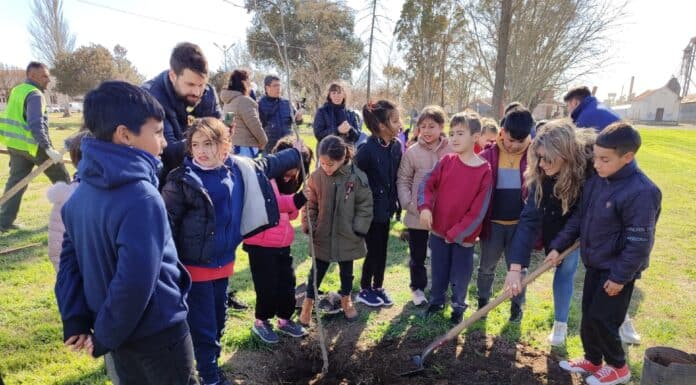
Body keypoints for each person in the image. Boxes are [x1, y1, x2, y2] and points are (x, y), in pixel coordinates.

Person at [54, 81, 198, 385]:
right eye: (157, 132)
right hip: (159, 335)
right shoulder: (142, 197)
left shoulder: (79, 192)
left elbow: (70, 263)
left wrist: (76, 319)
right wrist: (104, 335)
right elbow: (134, 281)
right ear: (125, 135)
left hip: (117, 336)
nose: (163, 143)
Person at [162, 117, 301, 384]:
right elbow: (166, 226)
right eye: (195, 144)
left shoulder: (236, 169)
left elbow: (268, 164)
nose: (201, 150)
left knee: (218, 320)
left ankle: (210, 362)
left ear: (225, 146)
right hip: (195, 267)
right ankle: (210, 376)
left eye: (209, 143)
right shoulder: (182, 181)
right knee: (204, 325)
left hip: (223, 264)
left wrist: (296, 152)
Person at [549, 122, 661, 385]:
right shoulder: (598, 181)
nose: (596, 164)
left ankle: (618, 366)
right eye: (595, 157)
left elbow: (639, 242)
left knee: (604, 319)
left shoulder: (642, 192)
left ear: (628, 157)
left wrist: (621, 277)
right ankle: (593, 359)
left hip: (618, 269)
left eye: (604, 159)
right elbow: (579, 218)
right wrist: (558, 245)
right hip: (596, 262)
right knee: (588, 314)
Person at [504, 120, 595, 346]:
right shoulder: (541, 173)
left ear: (565, 153)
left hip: (589, 221)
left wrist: (562, 245)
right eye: (539, 157)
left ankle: (566, 323)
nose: (542, 163)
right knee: (563, 266)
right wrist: (516, 268)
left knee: (577, 270)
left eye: (548, 158)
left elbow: (582, 214)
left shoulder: (590, 168)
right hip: (556, 220)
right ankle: (560, 324)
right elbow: (529, 219)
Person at [418, 112, 492, 324]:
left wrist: (456, 234)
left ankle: (458, 307)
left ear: (475, 136)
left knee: (460, 276)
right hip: (439, 232)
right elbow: (427, 185)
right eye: (451, 134)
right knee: (438, 270)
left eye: (460, 133)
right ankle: (436, 301)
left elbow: (478, 211)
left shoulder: (484, 171)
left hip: (464, 239)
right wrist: (424, 208)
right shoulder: (446, 161)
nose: (454, 138)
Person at [243, 136, 313, 344]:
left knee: (287, 283)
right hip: (261, 244)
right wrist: (299, 198)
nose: (292, 174)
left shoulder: (289, 184)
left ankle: (284, 319)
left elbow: (289, 214)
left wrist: (300, 199)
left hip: (282, 244)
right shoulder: (267, 179)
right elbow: (276, 204)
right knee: (267, 285)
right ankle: (261, 321)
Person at [299, 135, 373, 325]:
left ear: (342, 158)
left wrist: (358, 229)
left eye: (330, 164)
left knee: (346, 271)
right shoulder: (316, 178)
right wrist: (311, 224)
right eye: (322, 163)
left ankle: (346, 300)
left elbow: (365, 205)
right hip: (322, 234)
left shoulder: (356, 177)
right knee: (316, 271)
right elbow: (310, 204)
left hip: (347, 234)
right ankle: (308, 304)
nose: (326, 167)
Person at [476, 106, 533, 322]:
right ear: (502, 132)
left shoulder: (535, 157)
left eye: (520, 142)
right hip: (493, 224)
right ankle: (483, 303)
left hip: (519, 226)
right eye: (510, 140)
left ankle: (516, 307)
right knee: (486, 267)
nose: (514, 146)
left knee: (519, 269)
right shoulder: (486, 156)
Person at [0, 61, 70, 232]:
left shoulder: (17, 90)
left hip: (16, 146)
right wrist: (47, 148)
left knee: (16, 183)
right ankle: (73, 218)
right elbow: (35, 123)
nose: (48, 80)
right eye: (44, 76)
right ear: (32, 76)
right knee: (63, 180)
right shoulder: (35, 94)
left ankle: (3, 222)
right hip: (35, 147)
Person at [396, 105, 451, 306]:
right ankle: (418, 288)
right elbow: (403, 180)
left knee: (440, 255)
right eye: (423, 126)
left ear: (441, 127)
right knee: (417, 255)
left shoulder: (451, 149)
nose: (427, 131)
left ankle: (439, 288)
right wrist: (410, 205)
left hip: (443, 215)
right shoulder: (412, 152)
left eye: (432, 126)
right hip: (417, 213)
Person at [142, 42, 221, 182]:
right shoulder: (150, 97)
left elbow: (220, 139)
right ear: (173, 76)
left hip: (204, 177)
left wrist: (224, 131)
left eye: (201, 84)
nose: (197, 92)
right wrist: (208, 138)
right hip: (165, 182)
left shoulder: (209, 93)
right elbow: (168, 153)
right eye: (190, 84)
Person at [354, 100, 403, 307]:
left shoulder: (396, 146)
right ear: (382, 126)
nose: (400, 123)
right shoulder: (366, 150)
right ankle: (365, 289)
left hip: (387, 208)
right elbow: (353, 175)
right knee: (373, 250)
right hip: (370, 211)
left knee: (382, 250)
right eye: (395, 120)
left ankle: (378, 286)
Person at [220, 68, 267, 157]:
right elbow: (255, 125)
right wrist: (263, 142)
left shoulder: (228, 102)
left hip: (233, 148)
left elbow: (228, 124)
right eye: (248, 80)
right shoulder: (244, 101)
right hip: (245, 148)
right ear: (243, 82)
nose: (250, 84)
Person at [258, 75, 303, 153]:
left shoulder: (287, 103)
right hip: (269, 148)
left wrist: (299, 118)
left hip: (287, 146)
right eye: (275, 85)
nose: (278, 88)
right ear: (267, 87)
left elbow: (297, 122)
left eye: (279, 85)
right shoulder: (259, 104)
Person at [312, 81, 362, 146]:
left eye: (339, 93)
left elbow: (356, 137)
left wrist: (350, 129)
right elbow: (318, 135)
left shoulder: (351, 113)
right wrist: (337, 130)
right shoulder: (322, 112)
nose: (336, 96)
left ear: (344, 95)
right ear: (329, 95)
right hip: (327, 151)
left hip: (347, 152)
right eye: (334, 93)